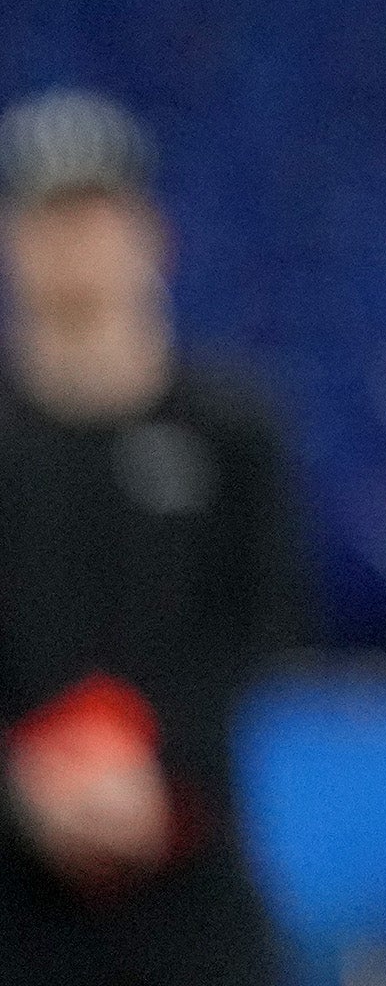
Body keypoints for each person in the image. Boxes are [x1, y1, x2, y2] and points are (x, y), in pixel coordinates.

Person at [0, 90, 303, 986]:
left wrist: (152, 764)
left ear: (151, 234)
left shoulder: (231, 431)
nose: (73, 243)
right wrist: (27, 781)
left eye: (94, 214)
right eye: (47, 218)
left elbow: (266, 631)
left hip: (192, 886)